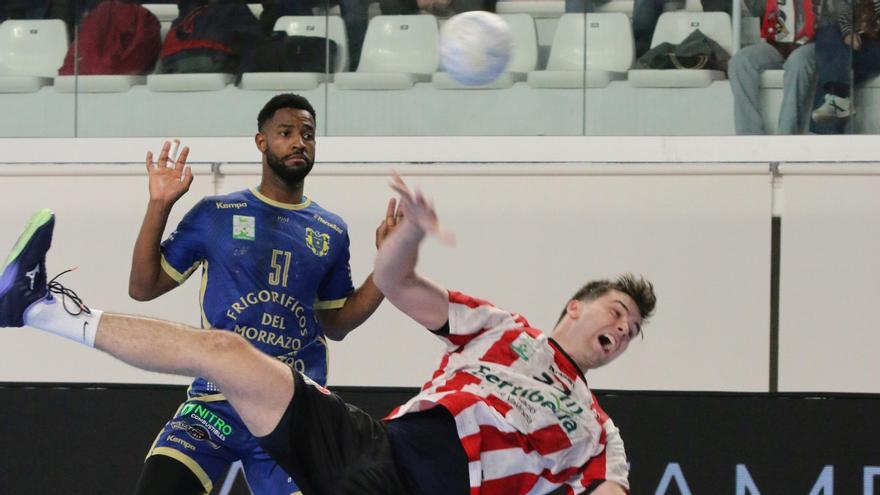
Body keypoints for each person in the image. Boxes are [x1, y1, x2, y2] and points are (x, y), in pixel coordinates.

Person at [0, 173, 655, 495]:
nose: (623, 327)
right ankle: (35, 308)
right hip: (372, 444)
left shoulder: (599, 430)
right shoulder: (500, 328)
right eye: (619, 309)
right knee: (228, 351)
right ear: (576, 305)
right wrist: (406, 241)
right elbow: (398, 285)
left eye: (632, 329)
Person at [128, 94, 396, 494]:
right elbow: (143, 287)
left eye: (307, 134)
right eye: (285, 133)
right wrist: (159, 205)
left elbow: (337, 323)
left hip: (292, 413)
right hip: (214, 405)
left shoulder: (329, 229)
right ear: (261, 142)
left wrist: (390, 266)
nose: (298, 142)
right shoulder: (215, 214)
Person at [727, 0, 817, 135]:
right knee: (740, 61)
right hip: (778, 44)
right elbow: (757, 10)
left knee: (797, 62)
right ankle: (750, 139)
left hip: (813, 44)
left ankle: (786, 139)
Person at [809, 0, 880, 133]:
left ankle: (820, 135)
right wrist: (848, 33)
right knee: (828, 33)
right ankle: (838, 98)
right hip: (860, 43)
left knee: (833, 68)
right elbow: (845, 10)